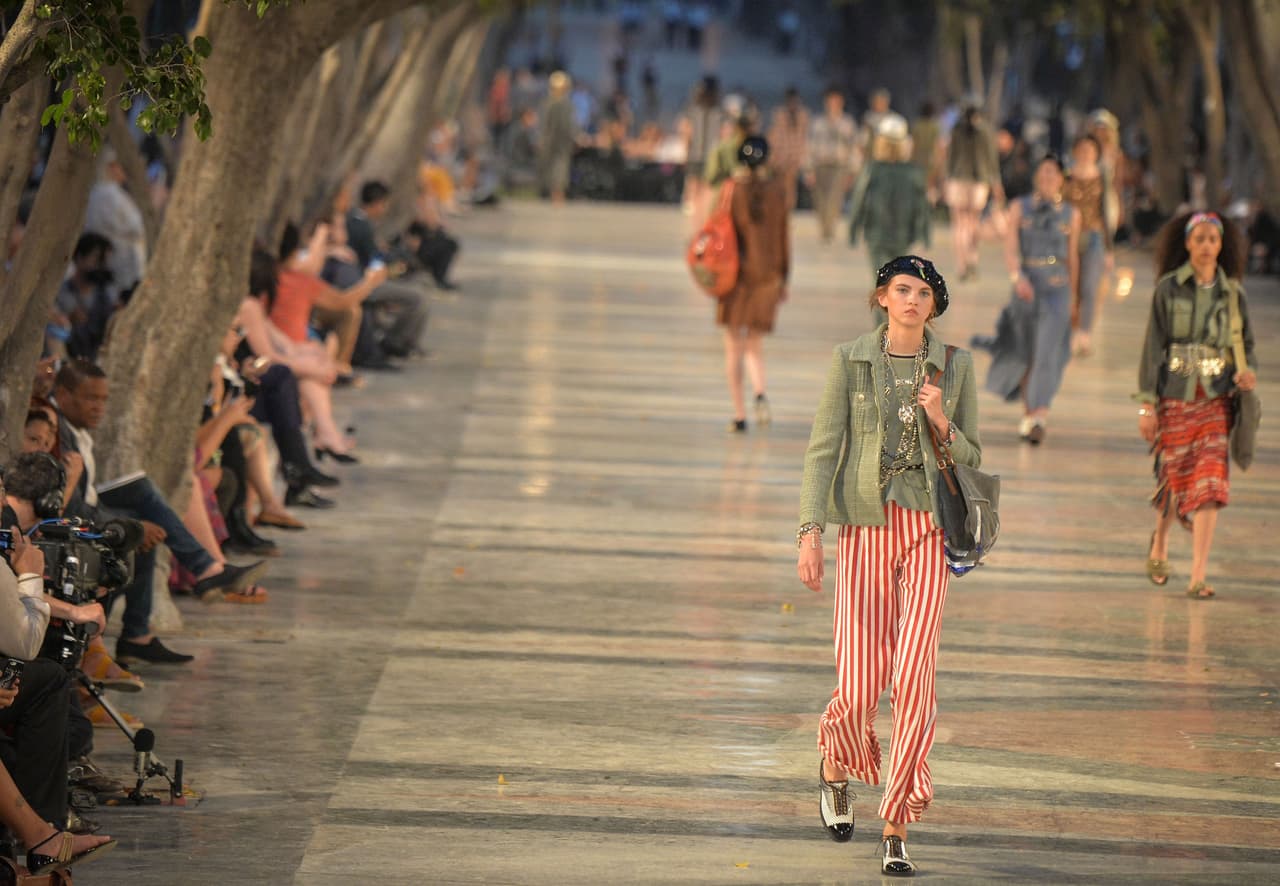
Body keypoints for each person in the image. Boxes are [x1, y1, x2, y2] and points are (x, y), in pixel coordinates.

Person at [796, 255, 979, 877]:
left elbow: (973, 454)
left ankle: (897, 823)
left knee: (915, 679)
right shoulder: (849, 360)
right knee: (858, 684)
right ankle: (835, 763)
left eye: (924, 293)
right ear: (881, 297)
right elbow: (823, 449)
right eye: (902, 289)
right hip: (865, 527)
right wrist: (810, 533)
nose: (912, 300)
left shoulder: (954, 366)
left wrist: (941, 419)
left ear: (934, 306)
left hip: (927, 529)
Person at [53, 360, 264, 663]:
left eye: (103, 399)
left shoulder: (78, 430)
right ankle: (205, 570)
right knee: (141, 518)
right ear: (63, 395)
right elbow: (71, 507)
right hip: (72, 521)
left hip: (93, 504)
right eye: (90, 398)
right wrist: (131, 525)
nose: (99, 407)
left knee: (144, 512)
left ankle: (138, 635)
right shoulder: (58, 432)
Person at [1138, 212, 1255, 599]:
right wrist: (1147, 405)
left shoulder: (1233, 294)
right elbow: (1152, 348)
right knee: (1176, 478)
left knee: (1210, 481)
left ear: (1222, 246)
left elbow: (1247, 346)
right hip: (1175, 395)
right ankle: (1160, 540)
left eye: (1213, 239)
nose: (1206, 246)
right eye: (1200, 239)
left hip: (1217, 398)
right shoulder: (1168, 289)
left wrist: (1248, 372)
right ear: (1187, 243)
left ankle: (1198, 575)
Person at [978, 155, 1080, 444]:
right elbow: (1010, 247)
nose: (1048, 178)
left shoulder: (1071, 214)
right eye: (1043, 172)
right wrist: (1017, 277)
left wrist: (1074, 299)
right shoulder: (1019, 207)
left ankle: (1038, 417)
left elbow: (1073, 257)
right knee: (1027, 353)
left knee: (1048, 352)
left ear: (1062, 179)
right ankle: (1028, 412)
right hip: (1027, 287)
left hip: (1058, 288)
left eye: (1053, 173)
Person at [718, 135, 789, 433]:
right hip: (768, 277)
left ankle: (739, 414)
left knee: (733, 345)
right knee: (754, 343)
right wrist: (783, 278)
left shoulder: (731, 190)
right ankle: (760, 391)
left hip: (734, 278)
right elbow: (783, 238)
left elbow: (717, 230)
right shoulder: (778, 192)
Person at [849, 114, 931, 301]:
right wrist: (924, 234)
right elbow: (922, 207)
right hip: (903, 235)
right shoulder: (913, 172)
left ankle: (884, 317)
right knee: (896, 281)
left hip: (876, 235)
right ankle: (890, 317)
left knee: (882, 282)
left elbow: (858, 200)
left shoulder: (872, 169)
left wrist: (853, 229)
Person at [1062, 135, 1113, 357]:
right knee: (1069, 287)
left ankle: (1085, 335)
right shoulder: (1066, 176)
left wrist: (1109, 249)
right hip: (1068, 239)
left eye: (1090, 150)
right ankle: (1070, 332)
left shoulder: (1102, 178)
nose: (1085, 154)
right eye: (1082, 149)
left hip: (1094, 237)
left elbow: (1106, 212)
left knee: (1090, 287)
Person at [944, 105, 1001, 280]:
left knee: (959, 225)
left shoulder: (956, 130)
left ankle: (961, 266)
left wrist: (945, 180)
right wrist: (997, 184)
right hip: (979, 182)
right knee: (974, 223)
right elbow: (991, 159)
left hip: (958, 179)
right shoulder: (985, 131)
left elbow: (950, 157)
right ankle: (972, 260)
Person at [81, 146, 147, 292]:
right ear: (112, 167)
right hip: (116, 263)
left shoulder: (102, 192)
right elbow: (136, 227)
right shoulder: (108, 194)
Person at [805, 86, 858, 244]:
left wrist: (853, 171)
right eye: (830, 101)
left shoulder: (847, 123)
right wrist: (808, 169)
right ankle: (824, 227)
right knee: (820, 199)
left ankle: (829, 230)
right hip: (820, 164)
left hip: (839, 165)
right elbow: (809, 146)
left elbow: (854, 147)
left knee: (834, 198)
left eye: (836, 101)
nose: (833, 104)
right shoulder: (818, 122)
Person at [682, 76, 723, 221]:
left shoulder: (719, 111)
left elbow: (723, 134)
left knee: (705, 184)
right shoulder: (693, 110)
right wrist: (686, 151)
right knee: (694, 182)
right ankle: (693, 207)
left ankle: (701, 209)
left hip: (709, 154)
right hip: (697, 152)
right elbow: (687, 132)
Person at [538, 71, 578, 205]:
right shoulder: (564, 104)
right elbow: (568, 125)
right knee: (560, 167)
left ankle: (554, 194)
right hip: (560, 141)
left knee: (556, 167)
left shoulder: (548, 102)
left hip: (552, 141)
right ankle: (557, 195)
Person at [767, 87, 809, 210]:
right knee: (778, 187)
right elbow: (774, 138)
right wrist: (773, 159)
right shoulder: (779, 115)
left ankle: (787, 211)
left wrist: (799, 160)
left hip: (794, 161)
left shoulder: (802, 117)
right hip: (779, 160)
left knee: (790, 186)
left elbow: (802, 140)